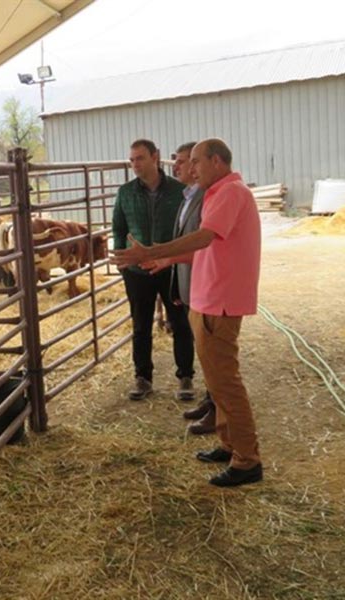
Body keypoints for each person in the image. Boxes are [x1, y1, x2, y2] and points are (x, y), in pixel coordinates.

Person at [111, 138, 263, 487]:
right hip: (208, 296)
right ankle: (230, 444)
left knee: (226, 382)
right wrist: (166, 258)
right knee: (216, 381)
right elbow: (207, 248)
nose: (189, 169)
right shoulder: (217, 193)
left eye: (196, 161)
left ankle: (248, 460)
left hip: (220, 300)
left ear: (216, 161)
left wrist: (154, 248)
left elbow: (204, 238)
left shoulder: (230, 193)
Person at [112, 139, 196, 401]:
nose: (135, 164)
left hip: (170, 266)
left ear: (155, 157)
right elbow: (118, 227)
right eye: (132, 160)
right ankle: (143, 377)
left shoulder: (178, 190)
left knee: (180, 321)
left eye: (140, 158)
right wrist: (123, 261)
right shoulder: (125, 193)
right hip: (137, 271)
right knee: (140, 325)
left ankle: (185, 377)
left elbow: (187, 228)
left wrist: (178, 258)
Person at [147, 142, 216, 435]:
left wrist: (166, 255)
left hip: (203, 283)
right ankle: (210, 400)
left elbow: (202, 242)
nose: (178, 167)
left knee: (213, 351)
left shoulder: (205, 197)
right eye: (176, 161)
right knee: (204, 348)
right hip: (190, 282)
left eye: (185, 161)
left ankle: (216, 409)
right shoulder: (188, 195)